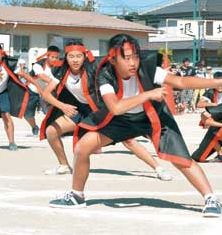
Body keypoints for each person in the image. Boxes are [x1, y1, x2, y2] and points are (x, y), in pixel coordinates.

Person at [49, 34, 222, 217]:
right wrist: (147, 95)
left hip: (153, 117)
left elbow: (181, 81)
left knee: (180, 159)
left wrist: (219, 81)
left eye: (135, 57)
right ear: (113, 59)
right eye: (125, 58)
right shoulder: (104, 74)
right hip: (120, 119)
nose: (132, 63)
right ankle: (77, 196)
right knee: (83, 147)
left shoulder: (148, 68)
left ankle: (210, 199)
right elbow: (115, 108)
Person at [40, 41, 171, 180]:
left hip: (101, 109)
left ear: (85, 56)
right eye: (71, 56)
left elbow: (117, 63)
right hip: (80, 110)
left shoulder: (94, 67)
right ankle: (64, 165)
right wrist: (63, 106)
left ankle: (158, 168)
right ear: (66, 57)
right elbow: (46, 94)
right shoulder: (61, 71)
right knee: (51, 131)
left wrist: (153, 71)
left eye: (79, 56)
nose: (75, 60)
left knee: (128, 140)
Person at [23, 46, 60, 135]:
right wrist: (55, 83)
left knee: (50, 113)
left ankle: (54, 131)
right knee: (28, 115)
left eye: (56, 57)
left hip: (47, 93)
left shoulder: (59, 66)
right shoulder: (38, 64)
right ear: (47, 56)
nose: (54, 59)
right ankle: (34, 127)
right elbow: (42, 77)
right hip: (33, 91)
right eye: (52, 57)